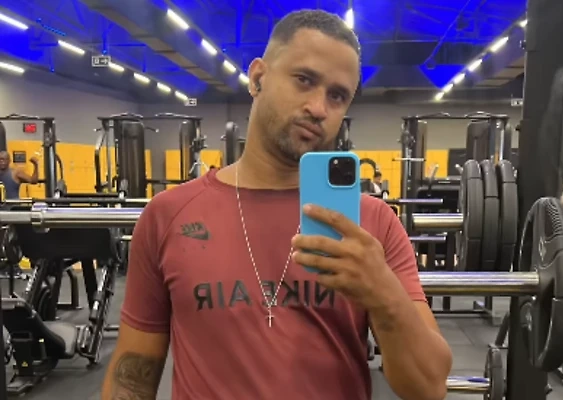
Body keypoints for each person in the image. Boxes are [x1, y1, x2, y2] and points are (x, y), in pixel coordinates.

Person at [102, 9, 452, 400]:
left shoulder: (373, 223)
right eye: (304, 80)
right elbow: (133, 374)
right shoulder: (167, 215)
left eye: (337, 96)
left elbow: (429, 387)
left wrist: (384, 295)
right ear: (258, 78)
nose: (319, 108)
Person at [0, 151, 38, 278]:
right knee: (3, 241)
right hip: (1, 213)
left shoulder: (15, 173)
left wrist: (36, 165)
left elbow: (33, 180)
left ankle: (17, 268)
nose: (1, 162)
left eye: (3, 159)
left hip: (13, 212)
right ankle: (5, 268)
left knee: (15, 240)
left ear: (9, 161)